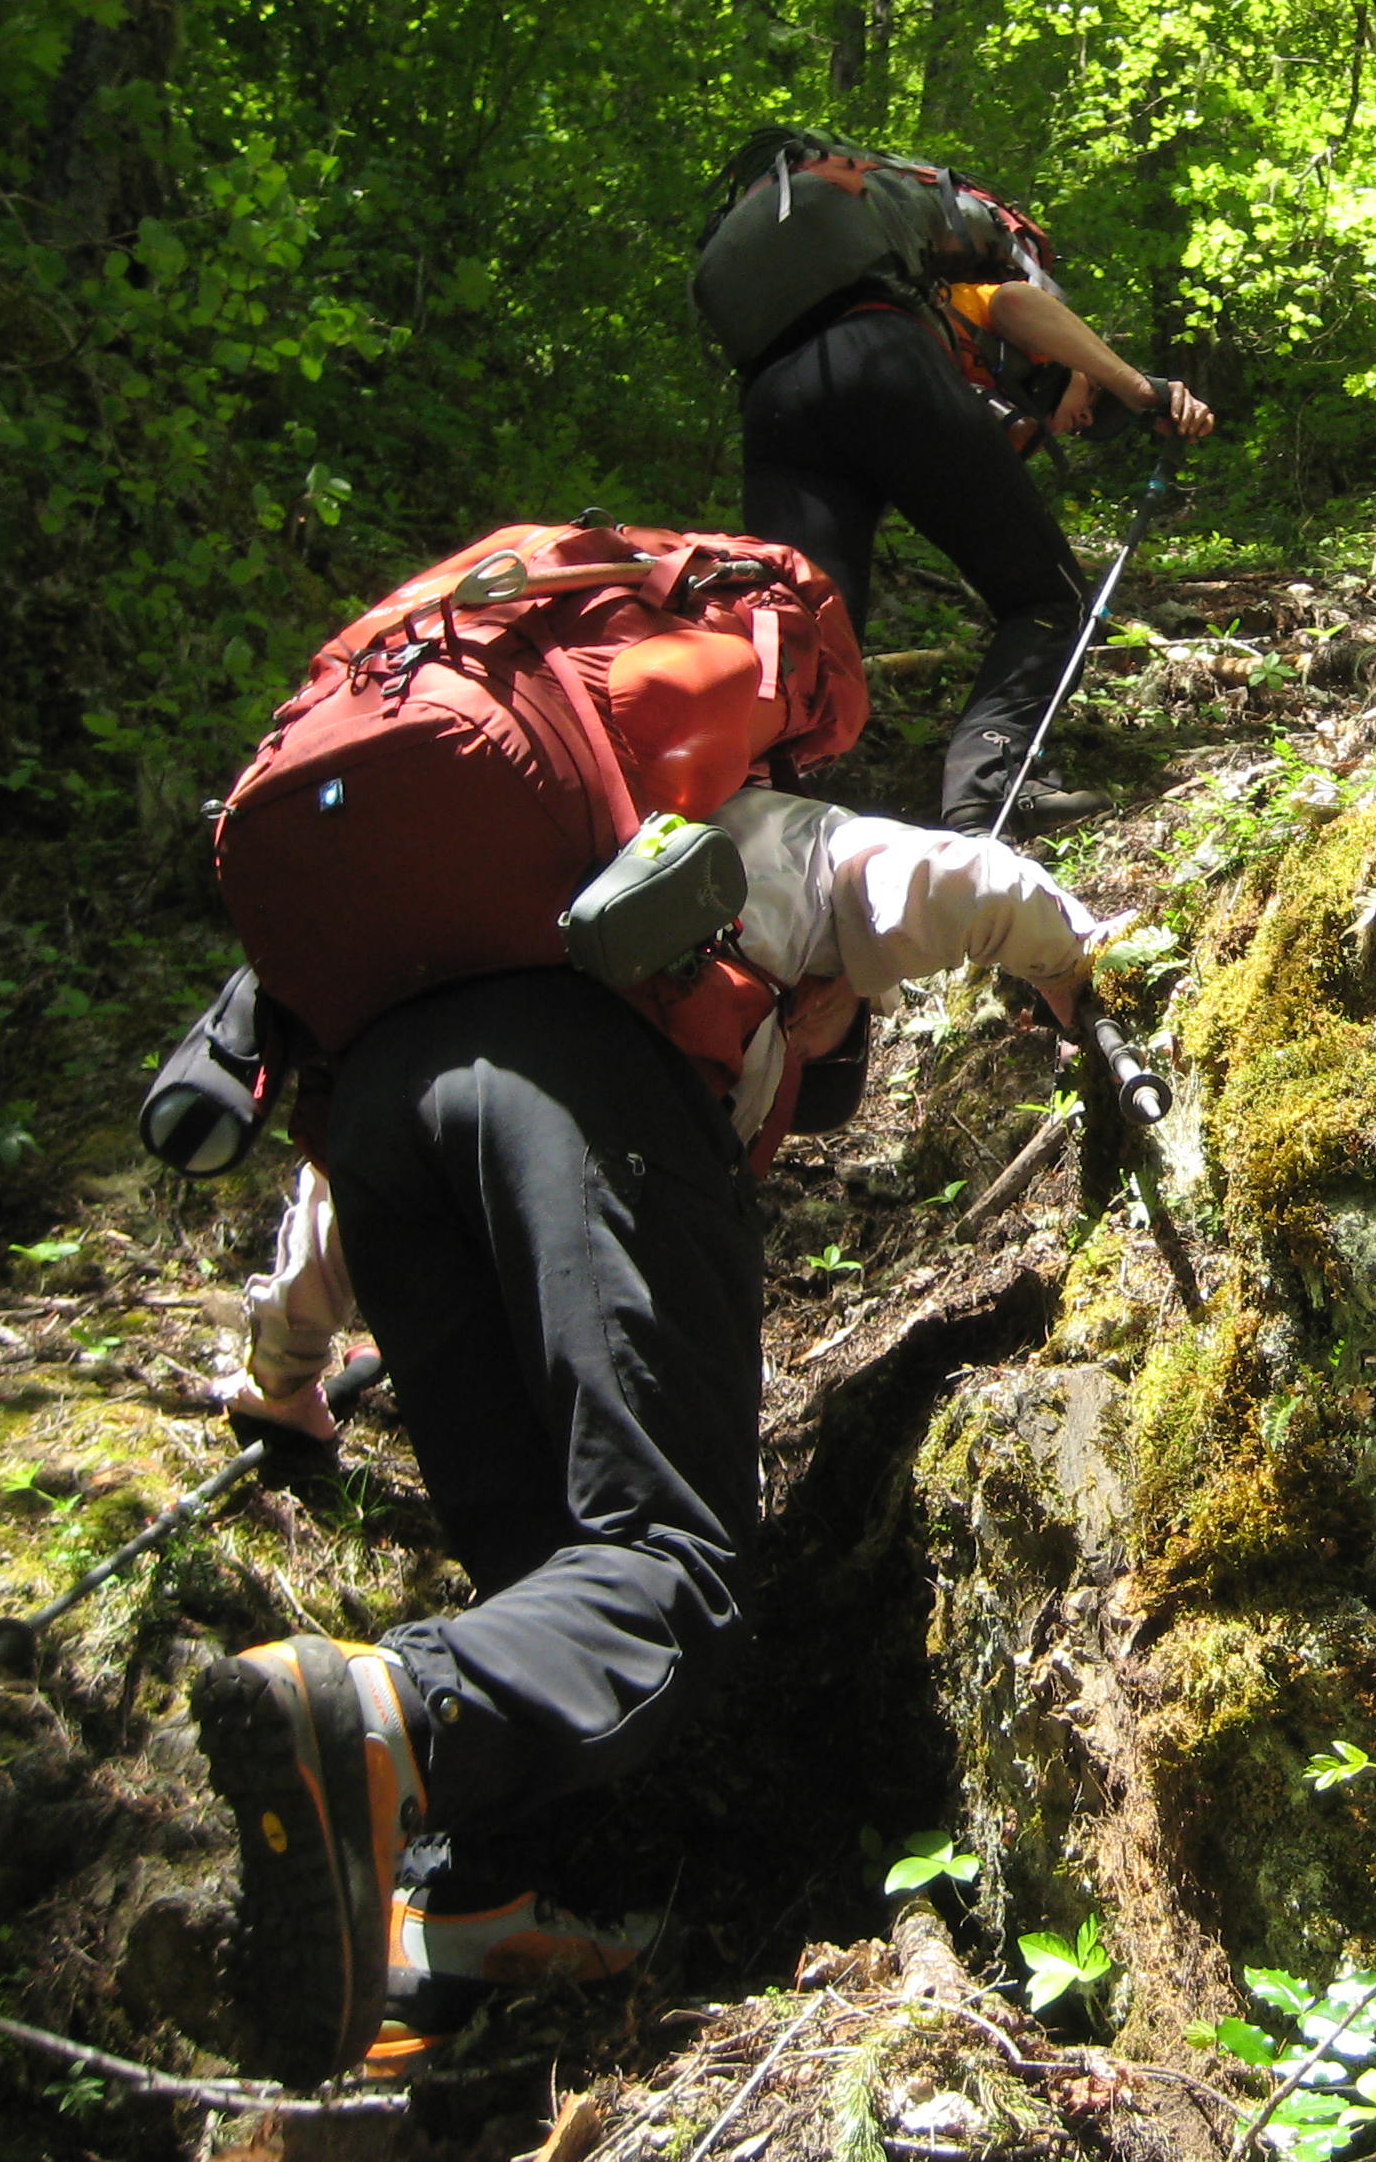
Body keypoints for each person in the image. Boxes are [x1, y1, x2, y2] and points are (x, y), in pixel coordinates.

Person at [192, 786, 1111, 2087]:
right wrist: (1092, 969)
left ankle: (467, 1906)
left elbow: (325, 1216)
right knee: (665, 1565)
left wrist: (283, 1378)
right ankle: (392, 1712)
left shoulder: (467, 906)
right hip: (577, 1090)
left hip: (384, 1120)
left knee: (543, 1571)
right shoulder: (728, 827)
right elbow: (961, 884)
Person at [709, 135, 1215, 837]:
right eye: (1087, 408)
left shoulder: (909, 311)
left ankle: (756, 805)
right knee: (1049, 594)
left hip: (775, 399)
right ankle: (992, 785)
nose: (1079, 421)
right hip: (878, 356)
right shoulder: (979, 306)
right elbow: (1013, 301)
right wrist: (1133, 386)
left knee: (811, 624)